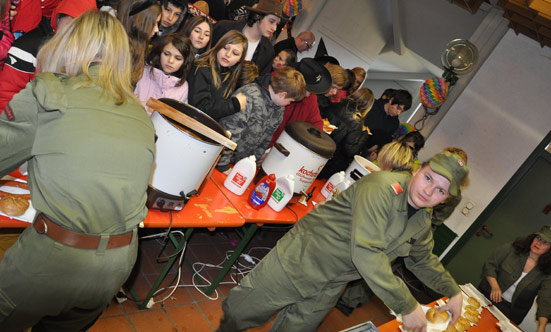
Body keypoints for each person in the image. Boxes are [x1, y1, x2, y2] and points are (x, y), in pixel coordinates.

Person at [0, 11, 155, 331]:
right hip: (119, 262)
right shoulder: (138, 112)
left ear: (70, 44)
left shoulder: (49, 91)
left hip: (57, 259)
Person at [218, 151, 468, 332]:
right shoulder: (381, 188)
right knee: (239, 314)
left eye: (440, 191)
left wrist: (452, 291)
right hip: (301, 259)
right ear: (417, 170)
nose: (428, 191)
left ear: (445, 199)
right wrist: (407, 306)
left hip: (332, 282)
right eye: (428, 178)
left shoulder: (423, 219)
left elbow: (423, 259)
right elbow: (367, 252)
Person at [0, 0, 97, 111]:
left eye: (79, 25)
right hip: (31, 120)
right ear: (58, 18)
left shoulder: (97, 54)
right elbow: (6, 97)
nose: (71, 30)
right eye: (68, 18)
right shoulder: (28, 47)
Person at [216, 66, 306, 172]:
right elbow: (231, 131)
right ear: (283, 95)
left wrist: (252, 161)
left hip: (242, 165)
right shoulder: (249, 95)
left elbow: (267, 138)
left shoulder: (278, 109)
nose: (289, 104)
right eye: (290, 101)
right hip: (222, 162)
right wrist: (222, 164)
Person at [478, 226, 551, 331]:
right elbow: (490, 265)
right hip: (486, 296)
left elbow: (545, 300)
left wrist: (541, 326)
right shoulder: (514, 248)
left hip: (510, 313)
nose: (539, 243)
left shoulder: (547, 272)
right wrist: (495, 286)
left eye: (545, 243)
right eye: (538, 238)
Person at [211, 0, 286, 76]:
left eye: (277, 24)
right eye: (271, 22)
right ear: (257, 16)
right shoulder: (225, 28)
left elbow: (258, 80)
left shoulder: (267, 52)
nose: (274, 28)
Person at [268, 57, 331, 147]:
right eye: (307, 89)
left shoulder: (311, 97)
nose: (309, 94)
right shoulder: (276, 85)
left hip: (282, 148)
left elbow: (316, 124)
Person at [187, 30, 248, 120]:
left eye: (235, 53)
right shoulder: (201, 68)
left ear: (240, 59)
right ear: (219, 46)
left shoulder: (232, 75)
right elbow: (199, 108)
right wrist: (234, 105)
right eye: (225, 48)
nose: (228, 54)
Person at [318, 88, 375, 179]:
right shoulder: (357, 124)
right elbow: (350, 151)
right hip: (331, 160)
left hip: (318, 146)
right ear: (367, 106)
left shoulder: (335, 105)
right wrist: (364, 134)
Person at [135, 33, 194, 115]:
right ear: (159, 53)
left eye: (178, 58)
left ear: (185, 62)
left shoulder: (183, 87)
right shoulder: (143, 71)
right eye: (166, 54)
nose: (170, 61)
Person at [117, 0, 161, 84]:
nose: (156, 30)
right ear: (140, 22)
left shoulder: (137, 47)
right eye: (153, 24)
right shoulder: (117, 51)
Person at [361, 89, 412, 159]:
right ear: (391, 100)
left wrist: (376, 153)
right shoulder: (372, 105)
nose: (398, 113)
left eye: (402, 111)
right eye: (398, 108)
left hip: (365, 155)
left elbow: (384, 142)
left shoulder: (395, 123)